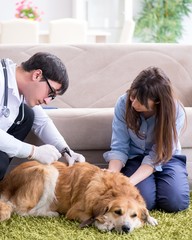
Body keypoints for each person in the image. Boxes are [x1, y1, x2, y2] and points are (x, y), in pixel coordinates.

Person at [103, 66, 190, 212]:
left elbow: (157, 155)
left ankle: (160, 187)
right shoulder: (123, 103)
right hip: (135, 158)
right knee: (144, 202)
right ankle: (152, 188)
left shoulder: (176, 111)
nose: (134, 103)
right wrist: (112, 176)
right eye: (133, 96)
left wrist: (129, 183)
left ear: (157, 101)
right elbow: (120, 147)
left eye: (141, 101)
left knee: (176, 202)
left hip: (167, 159)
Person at [0, 52, 85, 180]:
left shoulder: (21, 87)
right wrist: (33, 151)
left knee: (28, 115)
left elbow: (43, 122)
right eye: (50, 93)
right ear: (37, 75)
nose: (47, 101)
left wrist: (66, 150)